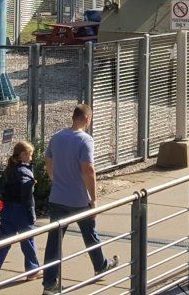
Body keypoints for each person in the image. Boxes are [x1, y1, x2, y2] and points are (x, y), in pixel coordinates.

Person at [42, 104, 115, 293]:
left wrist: (54, 178)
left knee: (54, 242)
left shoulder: (57, 137)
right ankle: (100, 265)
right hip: (79, 199)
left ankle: (50, 284)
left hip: (58, 197)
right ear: (87, 119)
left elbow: (48, 160)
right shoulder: (85, 140)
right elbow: (88, 169)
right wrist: (94, 199)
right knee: (90, 233)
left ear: (73, 117)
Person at [0, 141, 39, 285]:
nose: (31, 158)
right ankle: (32, 269)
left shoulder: (10, 170)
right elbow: (26, 196)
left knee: (3, 242)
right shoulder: (25, 171)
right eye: (30, 155)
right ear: (24, 155)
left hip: (8, 210)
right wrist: (31, 215)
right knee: (28, 240)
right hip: (21, 211)